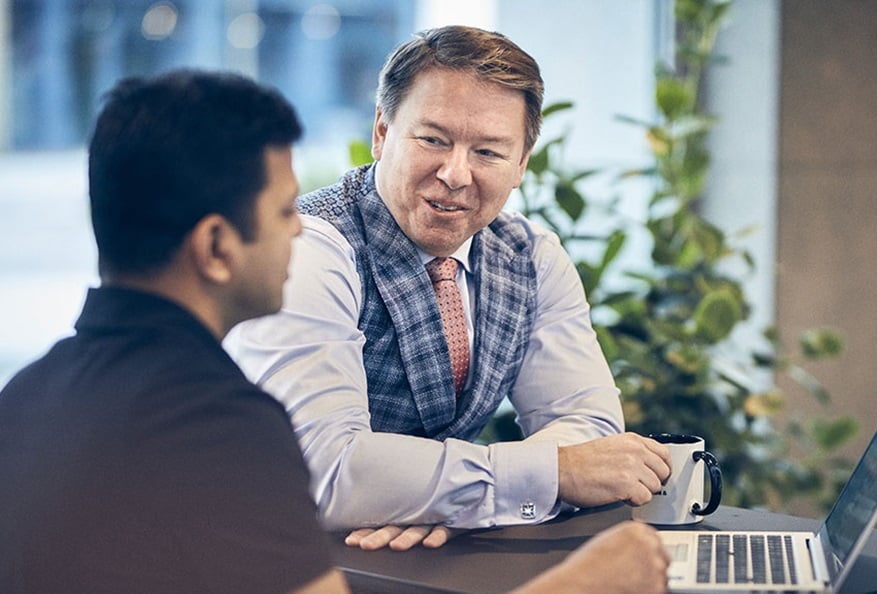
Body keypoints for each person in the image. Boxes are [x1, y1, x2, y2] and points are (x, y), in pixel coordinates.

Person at [0, 69, 671, 594]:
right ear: (216, 247)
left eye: (487, 150)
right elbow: (334, 473)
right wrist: (585, 583)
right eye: (281, 212)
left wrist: (442, 492)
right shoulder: (218, 427)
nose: (303, 225)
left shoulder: (25, 399)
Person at [226, 24, 674, 552]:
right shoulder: (311, 248)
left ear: (521, 164)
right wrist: (515, 484)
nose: (456, 174)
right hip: (248, 556)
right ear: (382, 132)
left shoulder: (532, 257)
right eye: (434, 139)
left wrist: (460, 498)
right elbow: (324, 470)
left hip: (416, 564)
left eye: (488, 152)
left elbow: (591, 428)